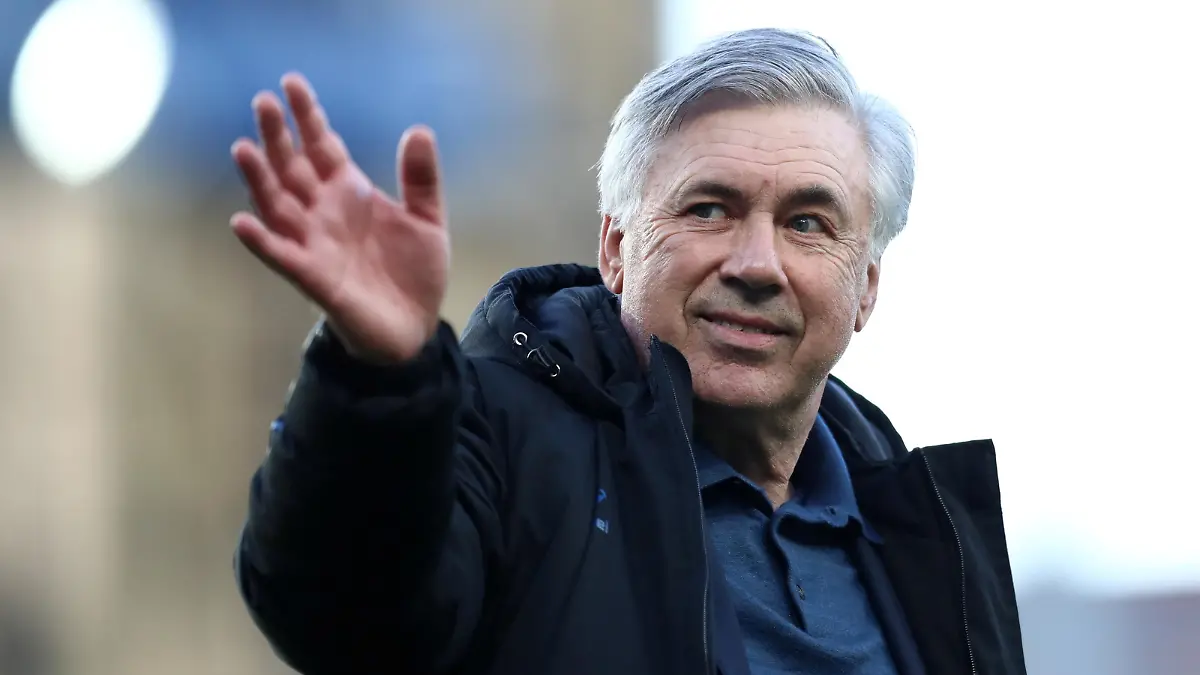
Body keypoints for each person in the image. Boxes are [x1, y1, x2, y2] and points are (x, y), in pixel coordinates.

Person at [230, 28, 1025, 675]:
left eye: (807, 224)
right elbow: (345, 613)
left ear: (866, 287)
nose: (757, 264)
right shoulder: (496, 437)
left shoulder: (921, 523)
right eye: (709, 209)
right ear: (615, 249)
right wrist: (377, 378)